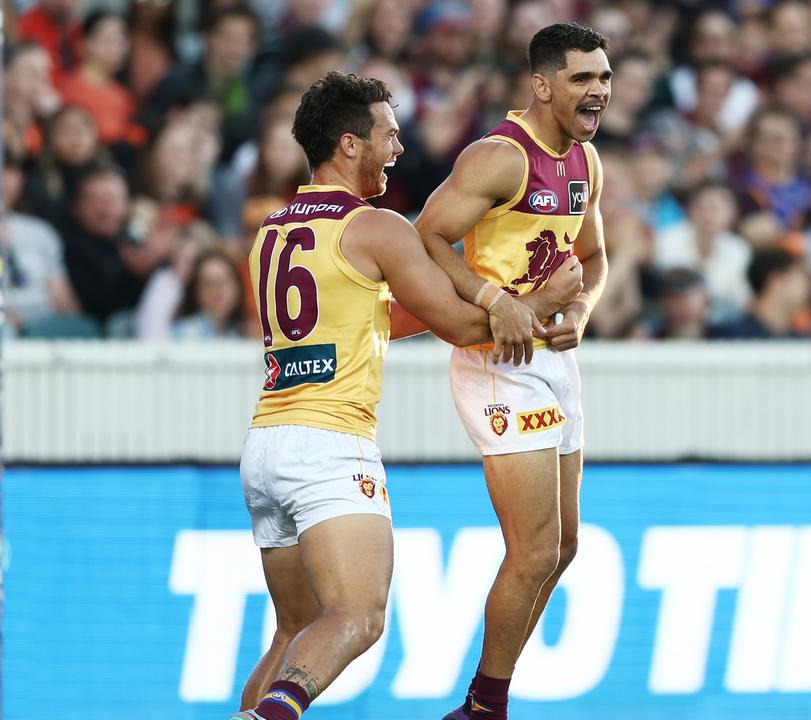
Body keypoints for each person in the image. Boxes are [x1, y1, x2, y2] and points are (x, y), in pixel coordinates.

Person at [228, 71, 579, 720]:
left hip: (266, 448)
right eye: (388, 135)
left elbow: (382, 318)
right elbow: (464, 326)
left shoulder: (273, 230)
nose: (399, 148)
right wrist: (537, 304)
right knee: (358, 618)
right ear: (349, 145)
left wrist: (498, 308)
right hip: (331, 449)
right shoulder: (378, 228)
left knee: (294, 633)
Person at [413, 21, 610, 720]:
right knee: (530, 552)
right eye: (584, 78)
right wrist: (497, 300)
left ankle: (488, 698)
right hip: (497, 362)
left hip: (553, 360)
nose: (599, 92)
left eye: (605, 78)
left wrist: (580, 312)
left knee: (563, 547)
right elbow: (427, 236)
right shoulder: (500, 156)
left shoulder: (586, 163)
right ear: (542, 84)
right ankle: (484, 706)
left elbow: (593, 258)